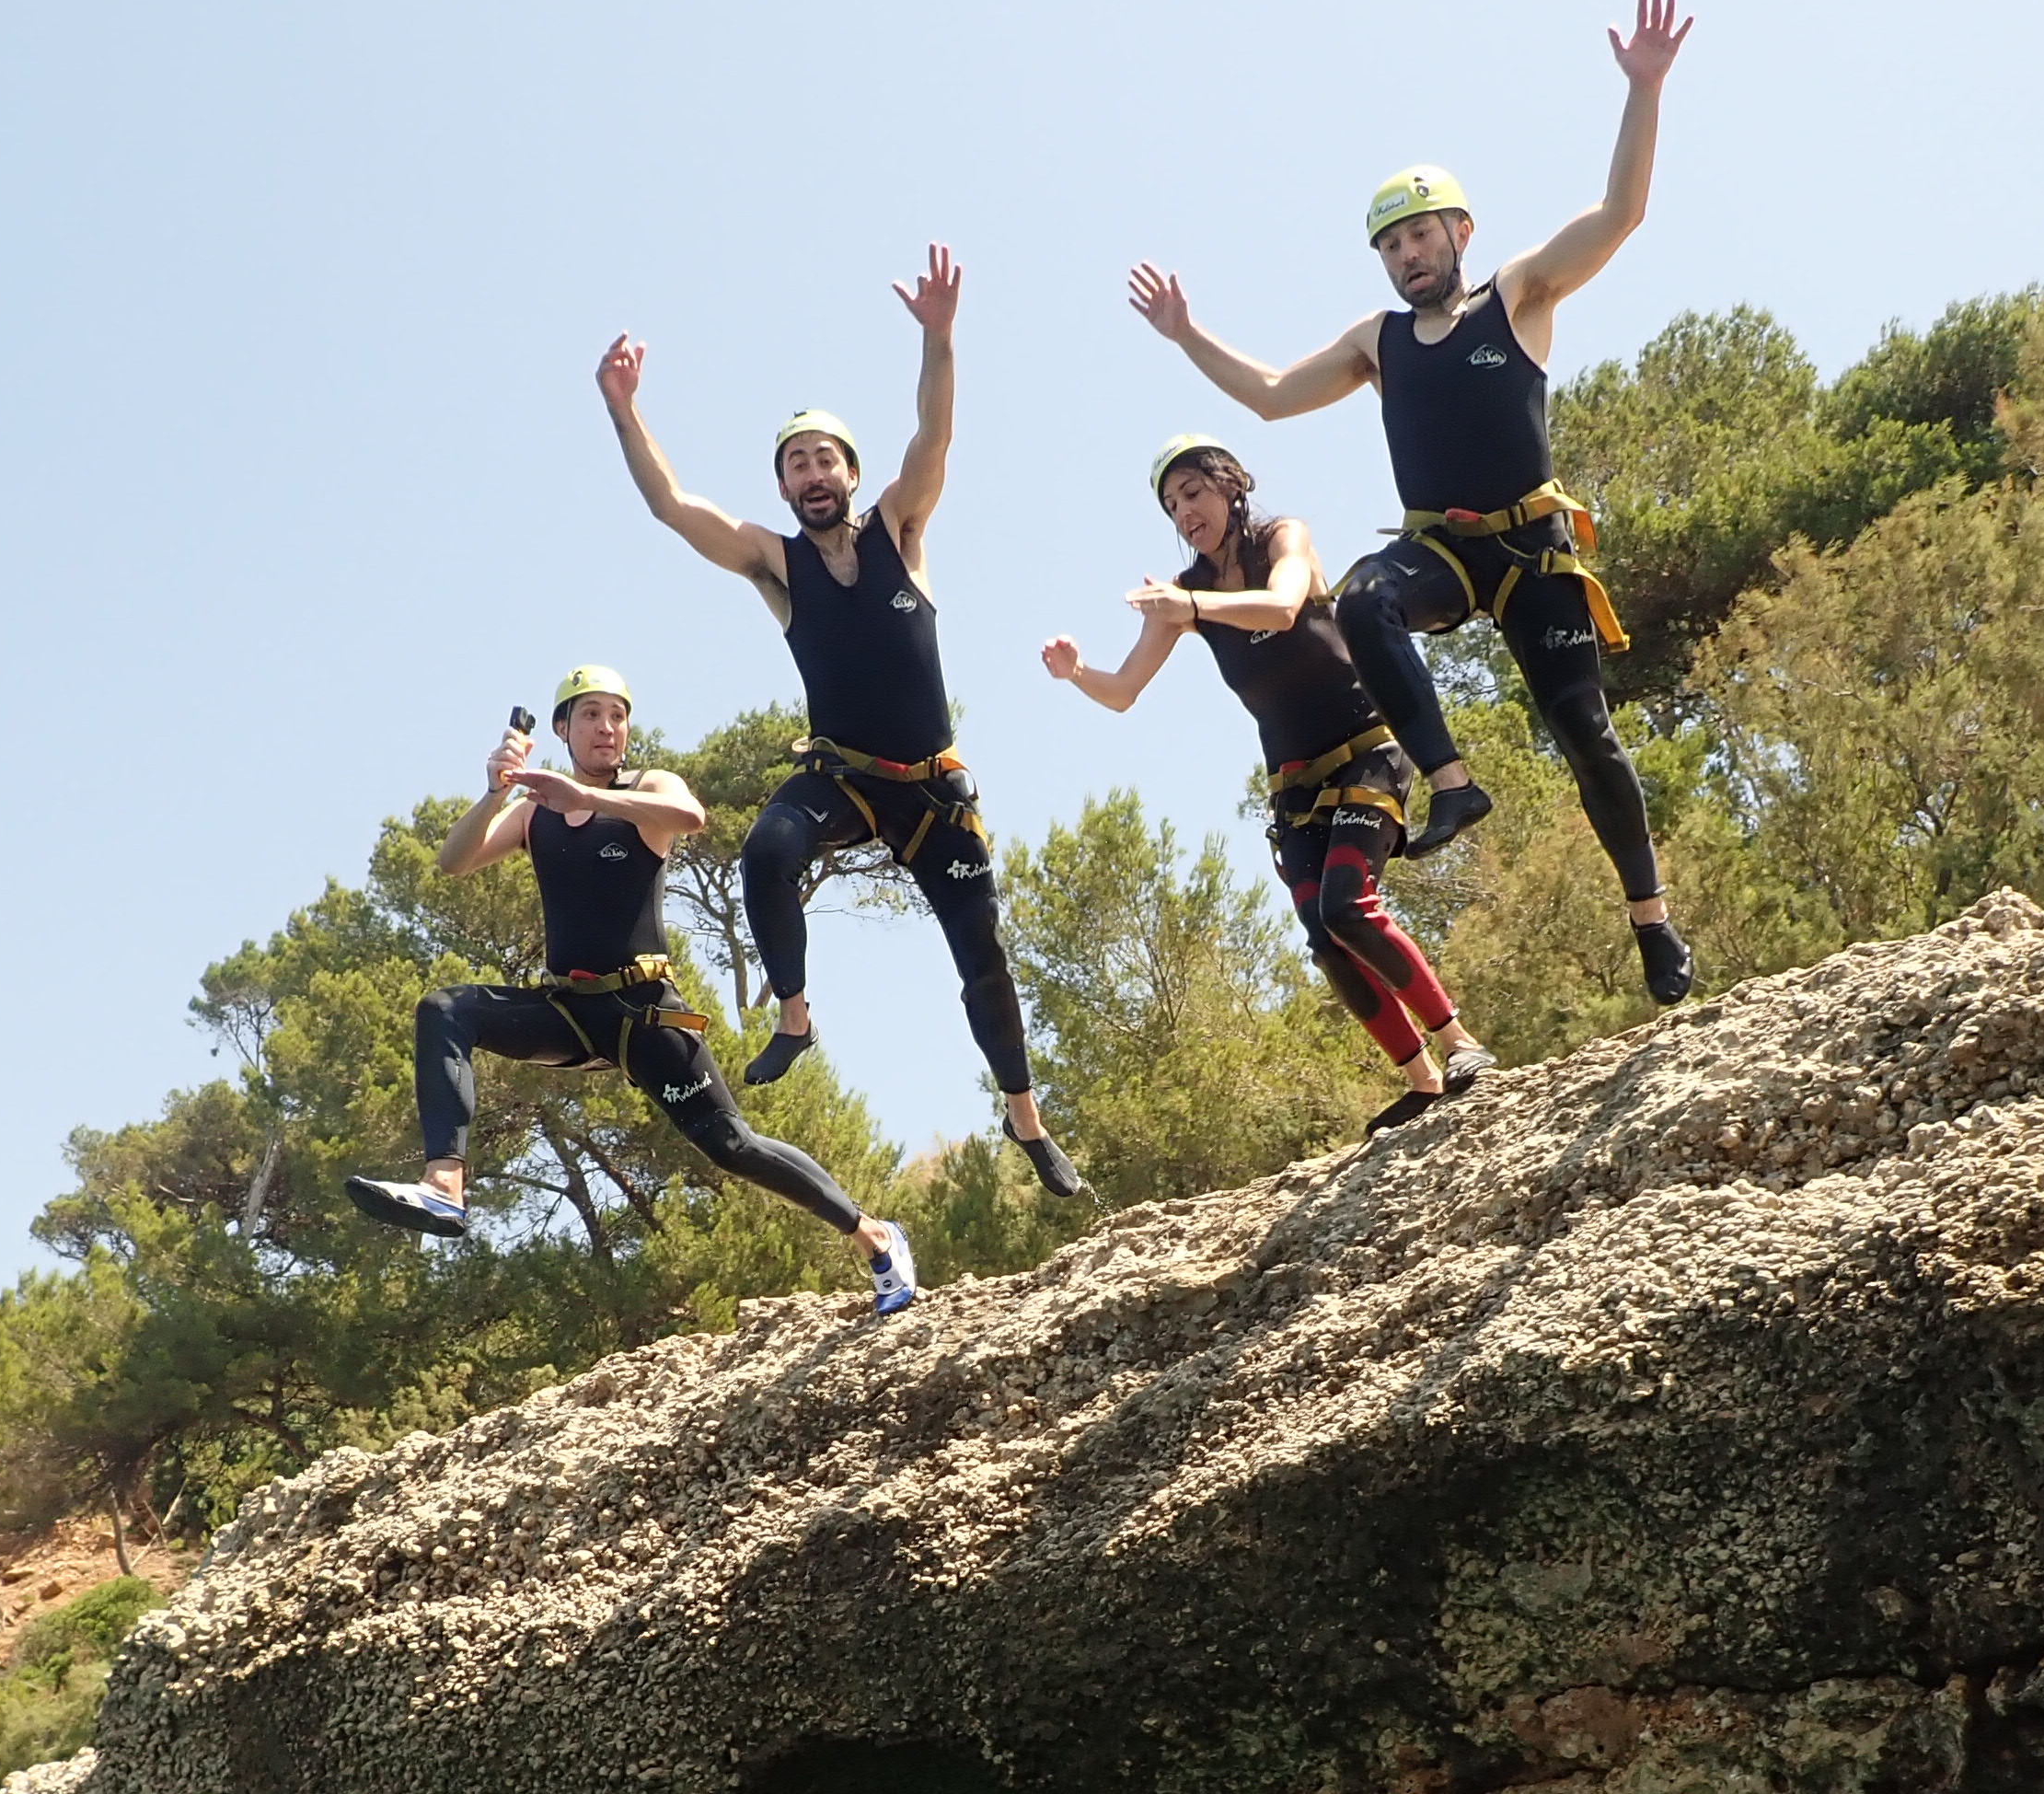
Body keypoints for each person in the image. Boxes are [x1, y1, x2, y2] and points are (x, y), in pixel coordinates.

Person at [1126, 0, 1700, 1009]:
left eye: (1419, 237)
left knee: (1587, 737)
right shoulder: (1373, 344)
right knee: (1357, 599)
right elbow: (1266, 395)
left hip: (1530, 552)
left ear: (1459, 232)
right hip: (1440, 549)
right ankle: (1450, 784)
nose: (1405, 257)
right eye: (1390, 246)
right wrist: (1186, 334)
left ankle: (1650, 920)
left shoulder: (1518, 294)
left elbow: (1620, 215)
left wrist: (1642, 91)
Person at [596, 247, 1086, 1198]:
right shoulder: (775, 563)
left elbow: (932, 439)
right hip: (841, 777)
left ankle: (1025, 1117)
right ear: (782, 489)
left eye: (823, 458)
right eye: (794, 464)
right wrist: (625, 410)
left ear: (851, 472)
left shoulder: (902, 528)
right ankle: (793, 1014)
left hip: (932, 791)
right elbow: (670, 506)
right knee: (766, 852)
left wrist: (938, 341)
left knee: (981, 954)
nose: (811, 473)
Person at [344, 666, 921, 1317]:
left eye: (617, 716)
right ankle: (445, 1183)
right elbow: (454, 861)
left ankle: (873, 1235)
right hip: (568, 1012)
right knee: (445, 1008)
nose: (607, 728)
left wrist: (588, 800)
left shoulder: (646, 788)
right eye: (590, 714)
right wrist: (492, 794)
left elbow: (690, 816)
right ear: (562, 727)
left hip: (646, 1015)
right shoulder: (534, 814)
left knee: (733, 1145)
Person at [1042, 437, 1495, 1132]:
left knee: (1349, 905)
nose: (1184, 513)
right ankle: (1423, 1082)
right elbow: (1127, 689)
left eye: (1193, 493)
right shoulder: (1186, 591)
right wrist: (1077, 674)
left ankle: (1461, 1045)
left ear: (1230, 486)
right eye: (1171, 505)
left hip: (1366, 752)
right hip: (1294, 786)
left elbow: (1283, 607)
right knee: (1321, 934)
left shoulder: (1283, 537)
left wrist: (1190, 612)